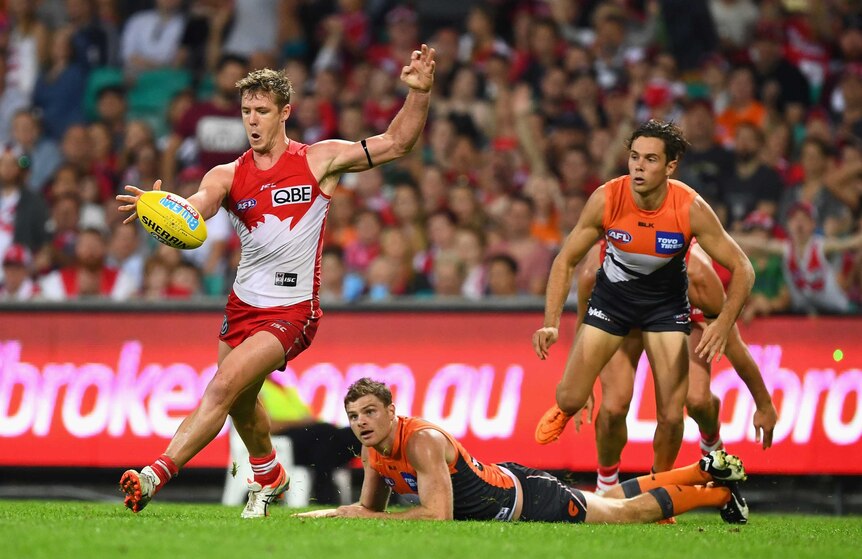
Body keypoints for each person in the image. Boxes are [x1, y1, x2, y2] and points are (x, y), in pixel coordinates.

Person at [116, 44, 436, 517]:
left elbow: (396, 143)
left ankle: (154, 474)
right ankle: (270, 476)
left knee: (223, 387)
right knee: (243, 403)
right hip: (243, 306)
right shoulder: (227, 174)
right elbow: (200, 205)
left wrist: (420, 94)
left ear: (285, 112)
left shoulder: (318, 161)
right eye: (246, 111)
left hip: (291, 310)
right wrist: (170, 210)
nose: (252, 120)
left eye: (262, 111)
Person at [532, 120, 755, 476]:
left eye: (650, 159)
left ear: (670, 167)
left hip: (664, 310)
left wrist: (724, 322)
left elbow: (744, 268)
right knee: (570, 399)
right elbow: (565, 261)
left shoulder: (690, 207)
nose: (638, 166)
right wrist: (550, 323)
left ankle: (658, 489)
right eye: (634, 157)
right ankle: (579, 428)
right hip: (612, 305)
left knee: (670, 413)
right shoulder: (607, 197)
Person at [295, 379, 750, 524]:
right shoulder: (373, 450)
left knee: (623, 514)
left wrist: (367, 518)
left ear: (392, 411)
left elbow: (438, 516)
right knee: (610, 499)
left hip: (525, 501)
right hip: (508, 483)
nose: (362, 423)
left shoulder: (421, 441)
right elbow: (368, 510)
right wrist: (331, 516)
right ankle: (701, 470)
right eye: (355, 416)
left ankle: (715, 494)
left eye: (370, 412)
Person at [574, 240, 777, 493]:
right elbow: (586, 325)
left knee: (696, 402)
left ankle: (685, 465)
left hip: (679, 315)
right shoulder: (597, 270)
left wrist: (764, 404)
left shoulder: (698, 278)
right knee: (614, 407)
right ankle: (605, 486)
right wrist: (580, 384)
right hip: (625, 313)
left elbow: (734, 346)